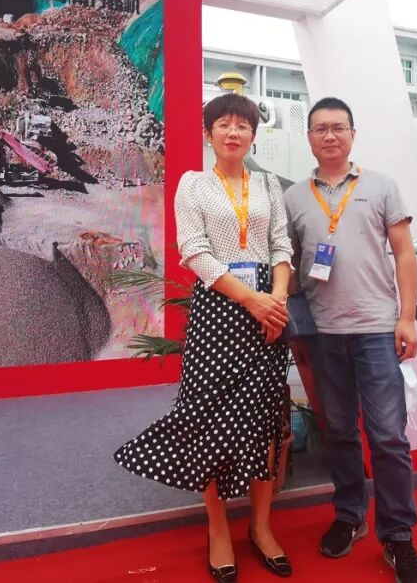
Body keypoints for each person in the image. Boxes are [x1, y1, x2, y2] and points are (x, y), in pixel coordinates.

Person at [114, 94, 294, 582]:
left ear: (254, 134)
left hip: (268, 311)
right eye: (224, 124)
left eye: (243, 125)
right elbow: (194, 252)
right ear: (208, 132)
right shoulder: (193, 184)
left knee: (265, 420)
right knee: (207, 418)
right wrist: (252, 301)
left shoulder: (268, 184)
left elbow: (281, 246)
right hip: (219, 308)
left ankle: (260, 526)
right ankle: (218, 528)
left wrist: (276, 302)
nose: (233, 132)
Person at [284, 97, 417, 583]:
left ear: (352, 134)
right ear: (309, 138)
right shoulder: (294, 198)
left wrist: (407, 318)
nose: (330, 136)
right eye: (320, 129)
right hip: (324, 334)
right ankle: (350, 515)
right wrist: (293, 328)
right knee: (341, 432)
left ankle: (398, 536)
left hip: (376, 330)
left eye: (338, 127)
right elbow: (290, 268)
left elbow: (405, 254)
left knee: (388, 437)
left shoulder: (381, 186)